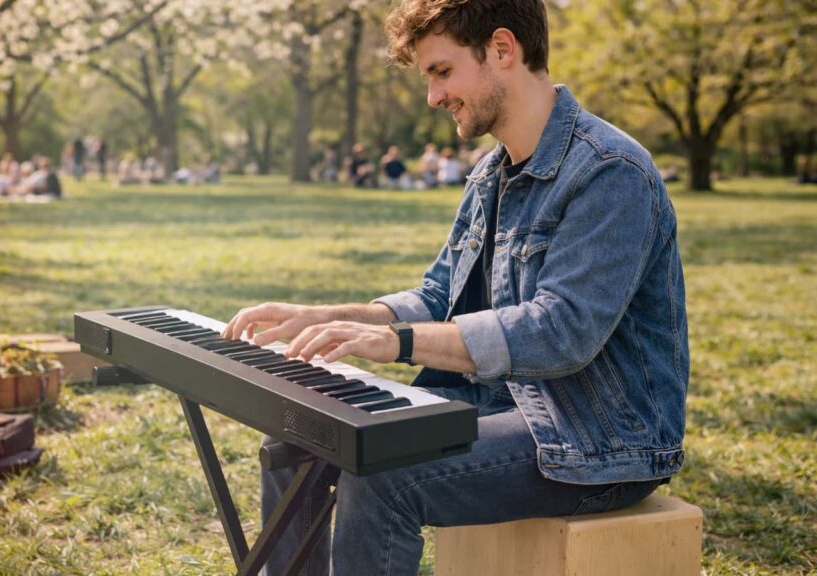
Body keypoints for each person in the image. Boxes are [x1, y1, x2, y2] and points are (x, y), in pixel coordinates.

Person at [221, 1, 689, 575]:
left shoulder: (610, 172)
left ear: (502, 50)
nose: (433, 97)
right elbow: (439, 297)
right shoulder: (491, 174)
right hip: (496, 403)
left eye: (441, 72)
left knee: (383, 475)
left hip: (597, 441)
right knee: (303, 434)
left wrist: (399, 343)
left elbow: (563, 332)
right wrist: (332, 317)